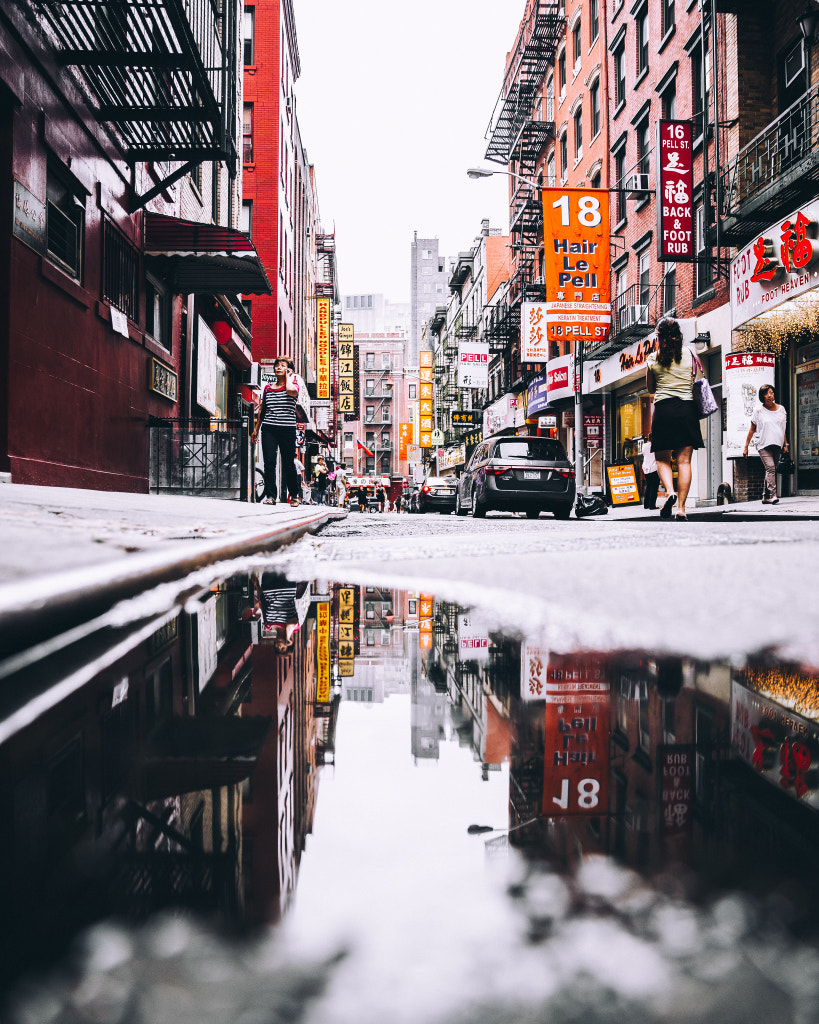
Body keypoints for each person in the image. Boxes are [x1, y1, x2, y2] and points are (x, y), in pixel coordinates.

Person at [645, 317, 704, 521]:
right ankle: (681, 508)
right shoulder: (690, 353)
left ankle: (670, 492)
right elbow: (695, 378)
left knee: (662, 458)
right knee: (684, 461)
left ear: (658, 338)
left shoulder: (653, 358)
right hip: (686, 409)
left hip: (663, 410)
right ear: (680, 336)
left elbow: (651, 389)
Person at [251, 357, 301, 507]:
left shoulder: (294, 385)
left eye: (283, 365)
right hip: (269, 428)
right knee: (269, 463)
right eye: (277, 365)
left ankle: (294, 495)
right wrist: (256, 428)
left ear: (289, 369)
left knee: (288, 464)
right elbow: (262, 409)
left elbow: (291, 391)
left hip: (287, 429)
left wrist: (289, 377)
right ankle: (271, 496)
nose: (278, 367)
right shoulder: (267, 388)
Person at [743, 384, 789, 504]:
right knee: (770, 468)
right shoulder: (759, 410)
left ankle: (765, 496)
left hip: (777, 444)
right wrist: (746, 446)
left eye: (771, 392)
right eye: (766, 393)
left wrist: (786, 444)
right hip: (763, 444)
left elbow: (782, 428)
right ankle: (773, 495)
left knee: (770, 470)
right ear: (762, 396)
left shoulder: (782, 409)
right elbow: (752, 429)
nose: (769, 395)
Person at [642, 437, 660, 511]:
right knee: (654, 487)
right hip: (653, 467)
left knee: (649, 485)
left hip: (645, 467)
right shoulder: (656, 445)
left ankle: (646, 504)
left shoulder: (644, 445)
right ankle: (652, 505)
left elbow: (643, 454)